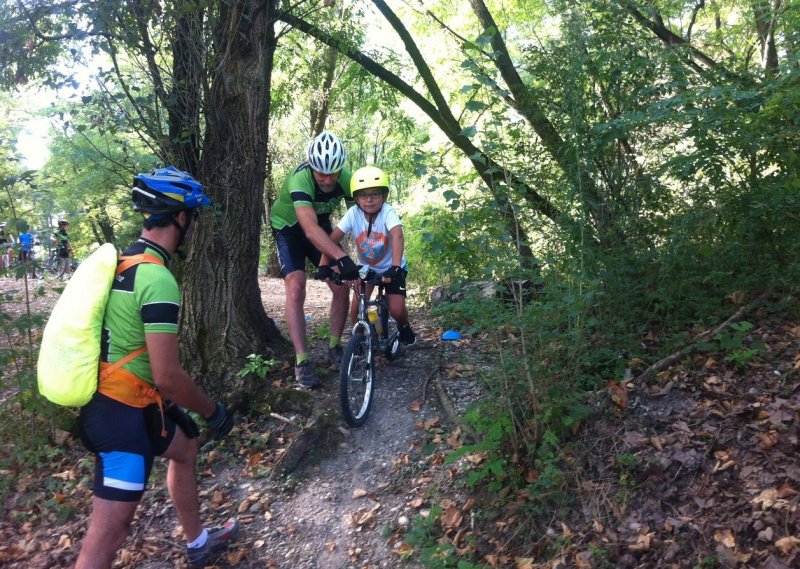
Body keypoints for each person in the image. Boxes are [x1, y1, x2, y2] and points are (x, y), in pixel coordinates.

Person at [75, 166, 239, 569]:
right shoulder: (157, 278)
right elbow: (168, 375)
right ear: (180, 218)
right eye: (193, 217)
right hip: (119, 420)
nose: (194, 226)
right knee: (111, 532)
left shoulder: (121, 263)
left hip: (130, 402)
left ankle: (198, 542)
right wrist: (212, 411)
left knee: (184, 446)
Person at [269, 130, 361, 389]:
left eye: (332, 173)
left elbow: (363, 214)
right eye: (321, 173)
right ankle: (302, 360)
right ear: (311, 167)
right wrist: (341, 256)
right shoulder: (300, 179)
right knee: (296, 286)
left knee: (340, 284)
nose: (327, 179)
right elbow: (308, 230)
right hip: (289, 227)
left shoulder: (346, 178)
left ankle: (334, 346)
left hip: (321, 226)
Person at [320, 165, 416, 345]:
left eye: (375, 194)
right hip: (366, 268)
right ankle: (361, 340)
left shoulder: (388, 212)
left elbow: (397, 236)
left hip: (392, 268)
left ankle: (404, 326)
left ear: (384, 196)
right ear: (356, 198)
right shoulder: (353, 214)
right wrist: (323, 265)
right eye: (364, 195)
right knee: (356, 309)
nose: (369, 200)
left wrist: (395, 267)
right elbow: (331, 240)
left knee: (397, 310)